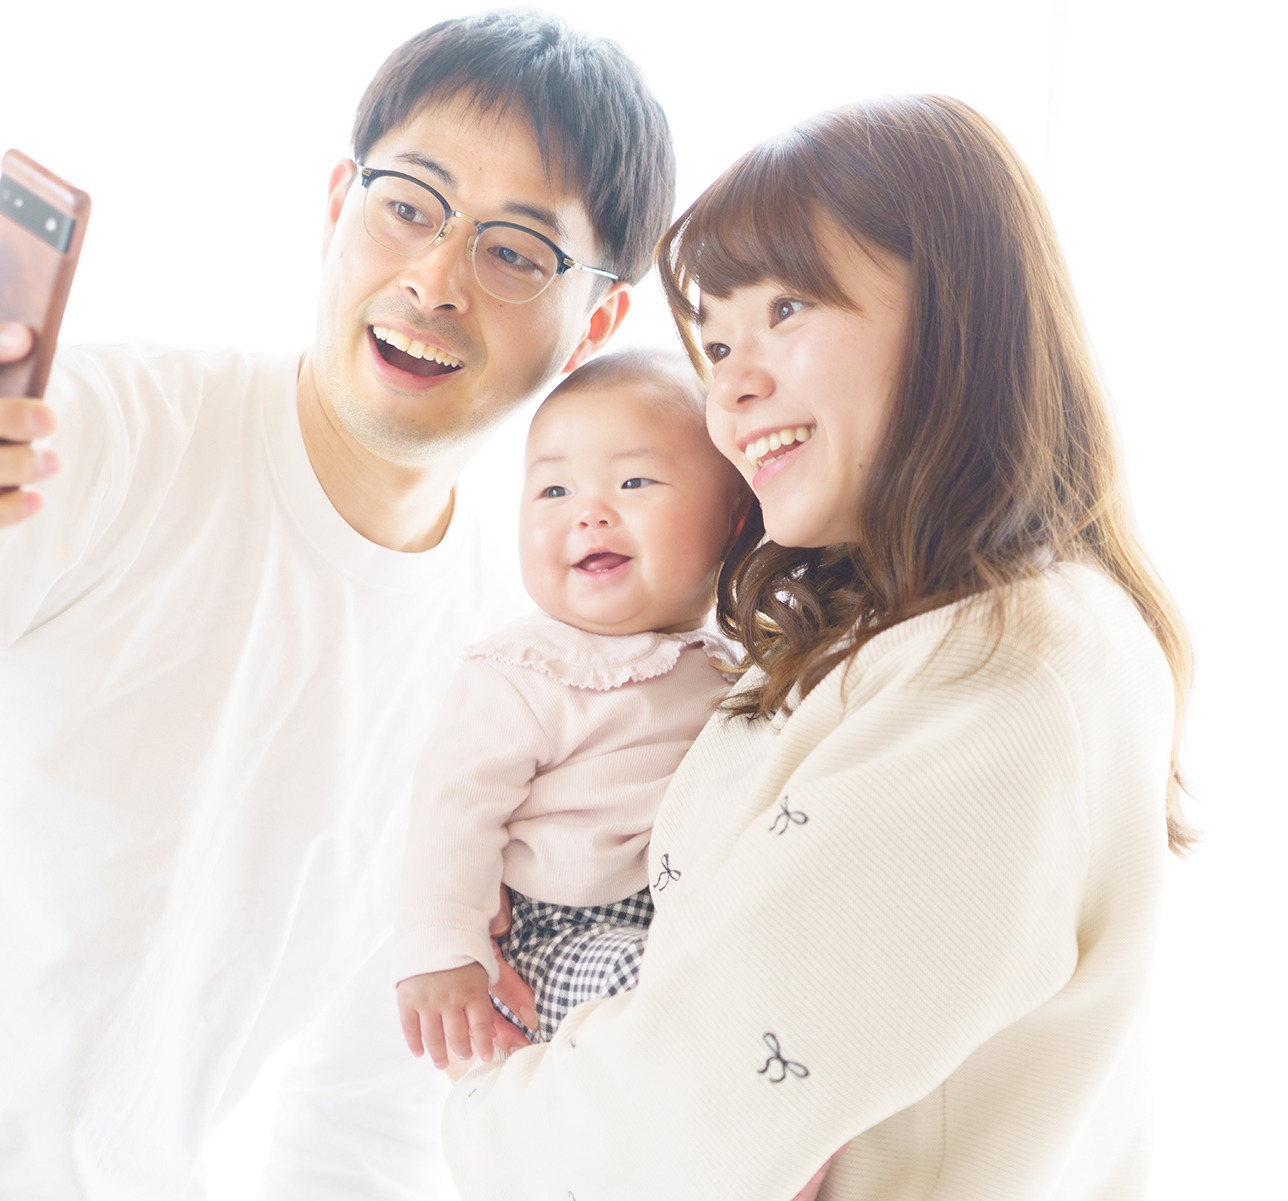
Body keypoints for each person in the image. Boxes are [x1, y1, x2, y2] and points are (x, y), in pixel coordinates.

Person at [0, 12, 677, 1201]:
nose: (434, 277)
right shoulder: (102, 435)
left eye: (517, 253)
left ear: (595, 325)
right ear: (338, 204)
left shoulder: (503, 679)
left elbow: (365, 1102)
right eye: (408, 205)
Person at [441, 94, 1191, 1200]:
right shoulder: (897, 630)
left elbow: (667, 1125)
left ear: (960, 314)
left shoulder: (1005, 663)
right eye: (716, 343)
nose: (731, 387)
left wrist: (477, 1100)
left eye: (786, 307)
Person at [392, 349, 745, 1065]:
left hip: (685, 915)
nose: (590, 513)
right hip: (557, 937)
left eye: (634, 481)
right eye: (554, 490)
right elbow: (451, 812)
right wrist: (442, 950)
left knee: (742, 972)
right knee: (659, 990)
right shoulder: (525, 670)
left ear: (734, 524)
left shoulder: (735, 663)